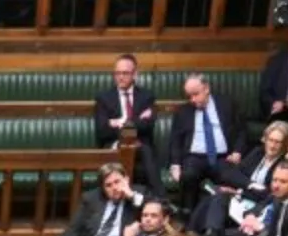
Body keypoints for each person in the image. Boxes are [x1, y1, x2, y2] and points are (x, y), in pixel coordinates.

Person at [166, 74, 244, 204]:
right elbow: (176, 140)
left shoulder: (227, 104)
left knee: (230, 177)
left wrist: (237, 151)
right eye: (189, 96)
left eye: (196, 94)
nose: (192, 99)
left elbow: (241, 131)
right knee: (188, 176)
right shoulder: (183, 111)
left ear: (206, 88)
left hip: (223, 157)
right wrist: (175, 165)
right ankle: (187, 215)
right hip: (194, 157)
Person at [93, 54, 158, 149]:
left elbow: (147, 127)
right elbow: (102, 131)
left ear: (135, 74)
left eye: (125, 73)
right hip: (114, 145)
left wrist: (119, 123)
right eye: (117, 73)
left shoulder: (147, 97)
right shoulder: (103, 98)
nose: (120, 77)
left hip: (140, 145)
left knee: (145, 150)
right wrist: (134, 123)